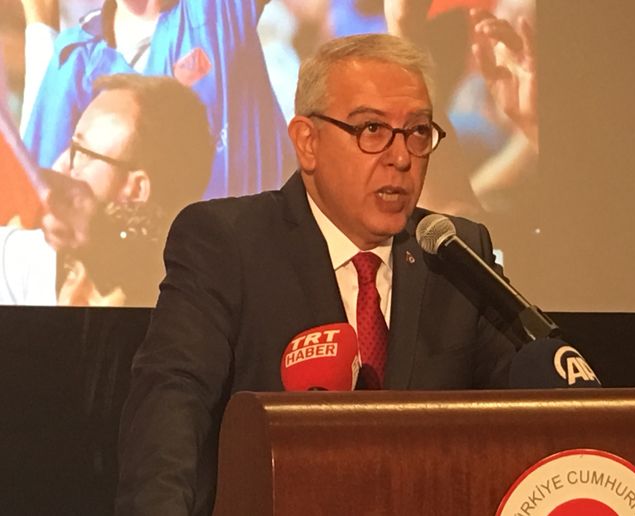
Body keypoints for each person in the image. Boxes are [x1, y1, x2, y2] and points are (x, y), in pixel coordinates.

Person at [115, 33, 520, 515]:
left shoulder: (454, 253)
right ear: (307, 142)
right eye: (372, 129)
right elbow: (171, 406)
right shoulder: (228, 243)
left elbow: (531, 413)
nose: (402, 157)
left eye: (417, 131)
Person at [21, 0, 296, 200]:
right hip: (147, 275)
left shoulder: (218, 9)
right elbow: (37, 197)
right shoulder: (75, 57)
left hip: (266, 261)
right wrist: (40, 26)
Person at [0, 73, 213, 306]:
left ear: (136, 189)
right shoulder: (22, 256)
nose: (59, 165)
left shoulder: (189, 297)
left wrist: (100, 237)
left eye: (81, 152)